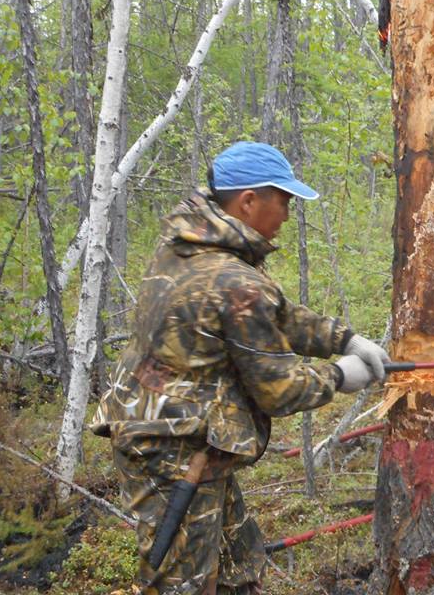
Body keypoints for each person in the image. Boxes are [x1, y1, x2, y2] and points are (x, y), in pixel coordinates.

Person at [90, 141, 390, 595]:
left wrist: (343, 339)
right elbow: (279, 388)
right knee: (179, 582)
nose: (288, 213)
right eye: (284, 200)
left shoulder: (185, 249)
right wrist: (341, 376)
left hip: (179, 434)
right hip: (170, 448)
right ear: (249, 201)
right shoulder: (233, 278)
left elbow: (275, 315)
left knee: (238, 562)